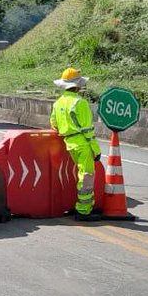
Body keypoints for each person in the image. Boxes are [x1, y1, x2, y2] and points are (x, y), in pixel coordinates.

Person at [51, 67, 102, 220]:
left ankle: (82, 206)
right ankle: (84, 210)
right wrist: (96, 149)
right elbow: (88, 130)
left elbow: (54, 123)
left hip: (69, 142)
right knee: (86, 176)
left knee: (81, 175)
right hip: (82, 144)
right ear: (78, 86)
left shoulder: (58, 103)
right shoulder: (80, 103)